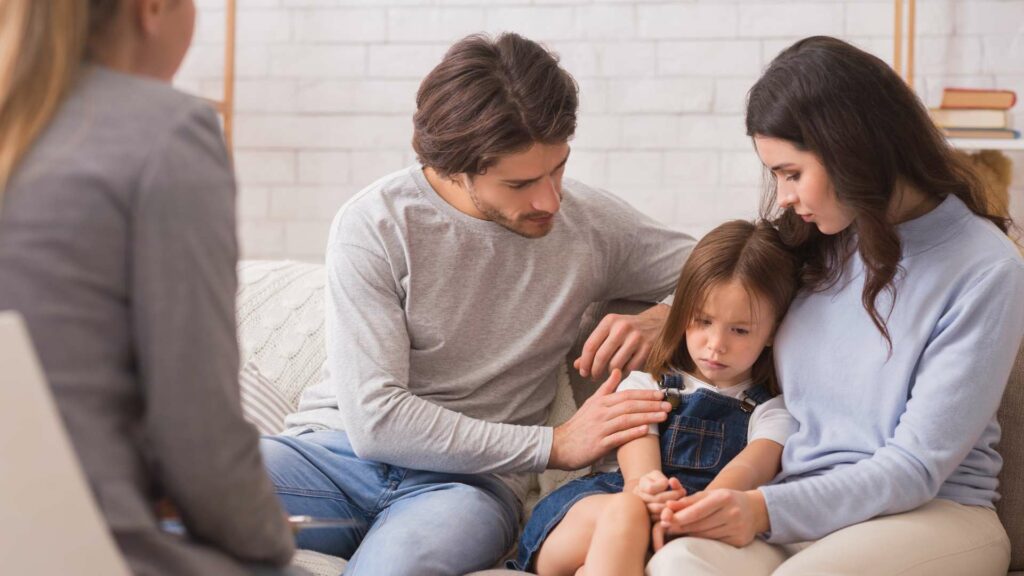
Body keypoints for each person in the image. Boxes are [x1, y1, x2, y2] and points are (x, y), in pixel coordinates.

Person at [258, 32, 696, 575]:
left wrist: (663, 316)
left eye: (558, 168)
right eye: (520, 183)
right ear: (453, 169)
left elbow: (738, 269)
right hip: (331, 457)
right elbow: (376, 421)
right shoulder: (375, 223)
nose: (550, 200)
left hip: (465, 488)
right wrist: (554, 443)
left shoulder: (591, 226)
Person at [646, 36, 1024, 576]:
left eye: (792, 173)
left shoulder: (987, 270)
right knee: (679, 563)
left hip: (934, 513)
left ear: (851, 150)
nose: (783, 198)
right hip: (798, 512)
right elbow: (728, 285)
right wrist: (660, 312)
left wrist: (760, 509)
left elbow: (915, 467)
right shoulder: (819, 236)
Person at [0, 1, 298, 574]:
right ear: (152, 9)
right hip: (75, 548)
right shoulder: (165, 132)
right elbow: (202, 446)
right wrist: (272, 547)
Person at [510, 220, 800, 576]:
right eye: (703, 321)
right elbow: (636, 463)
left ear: (773, 332)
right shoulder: (647, 384)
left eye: (739, 330)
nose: (716, 344)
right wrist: (644, 486)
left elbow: (749, 469)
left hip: (675, 527)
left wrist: (697, 509)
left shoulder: (773, 412)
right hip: (591, 513)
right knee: (630, 510)